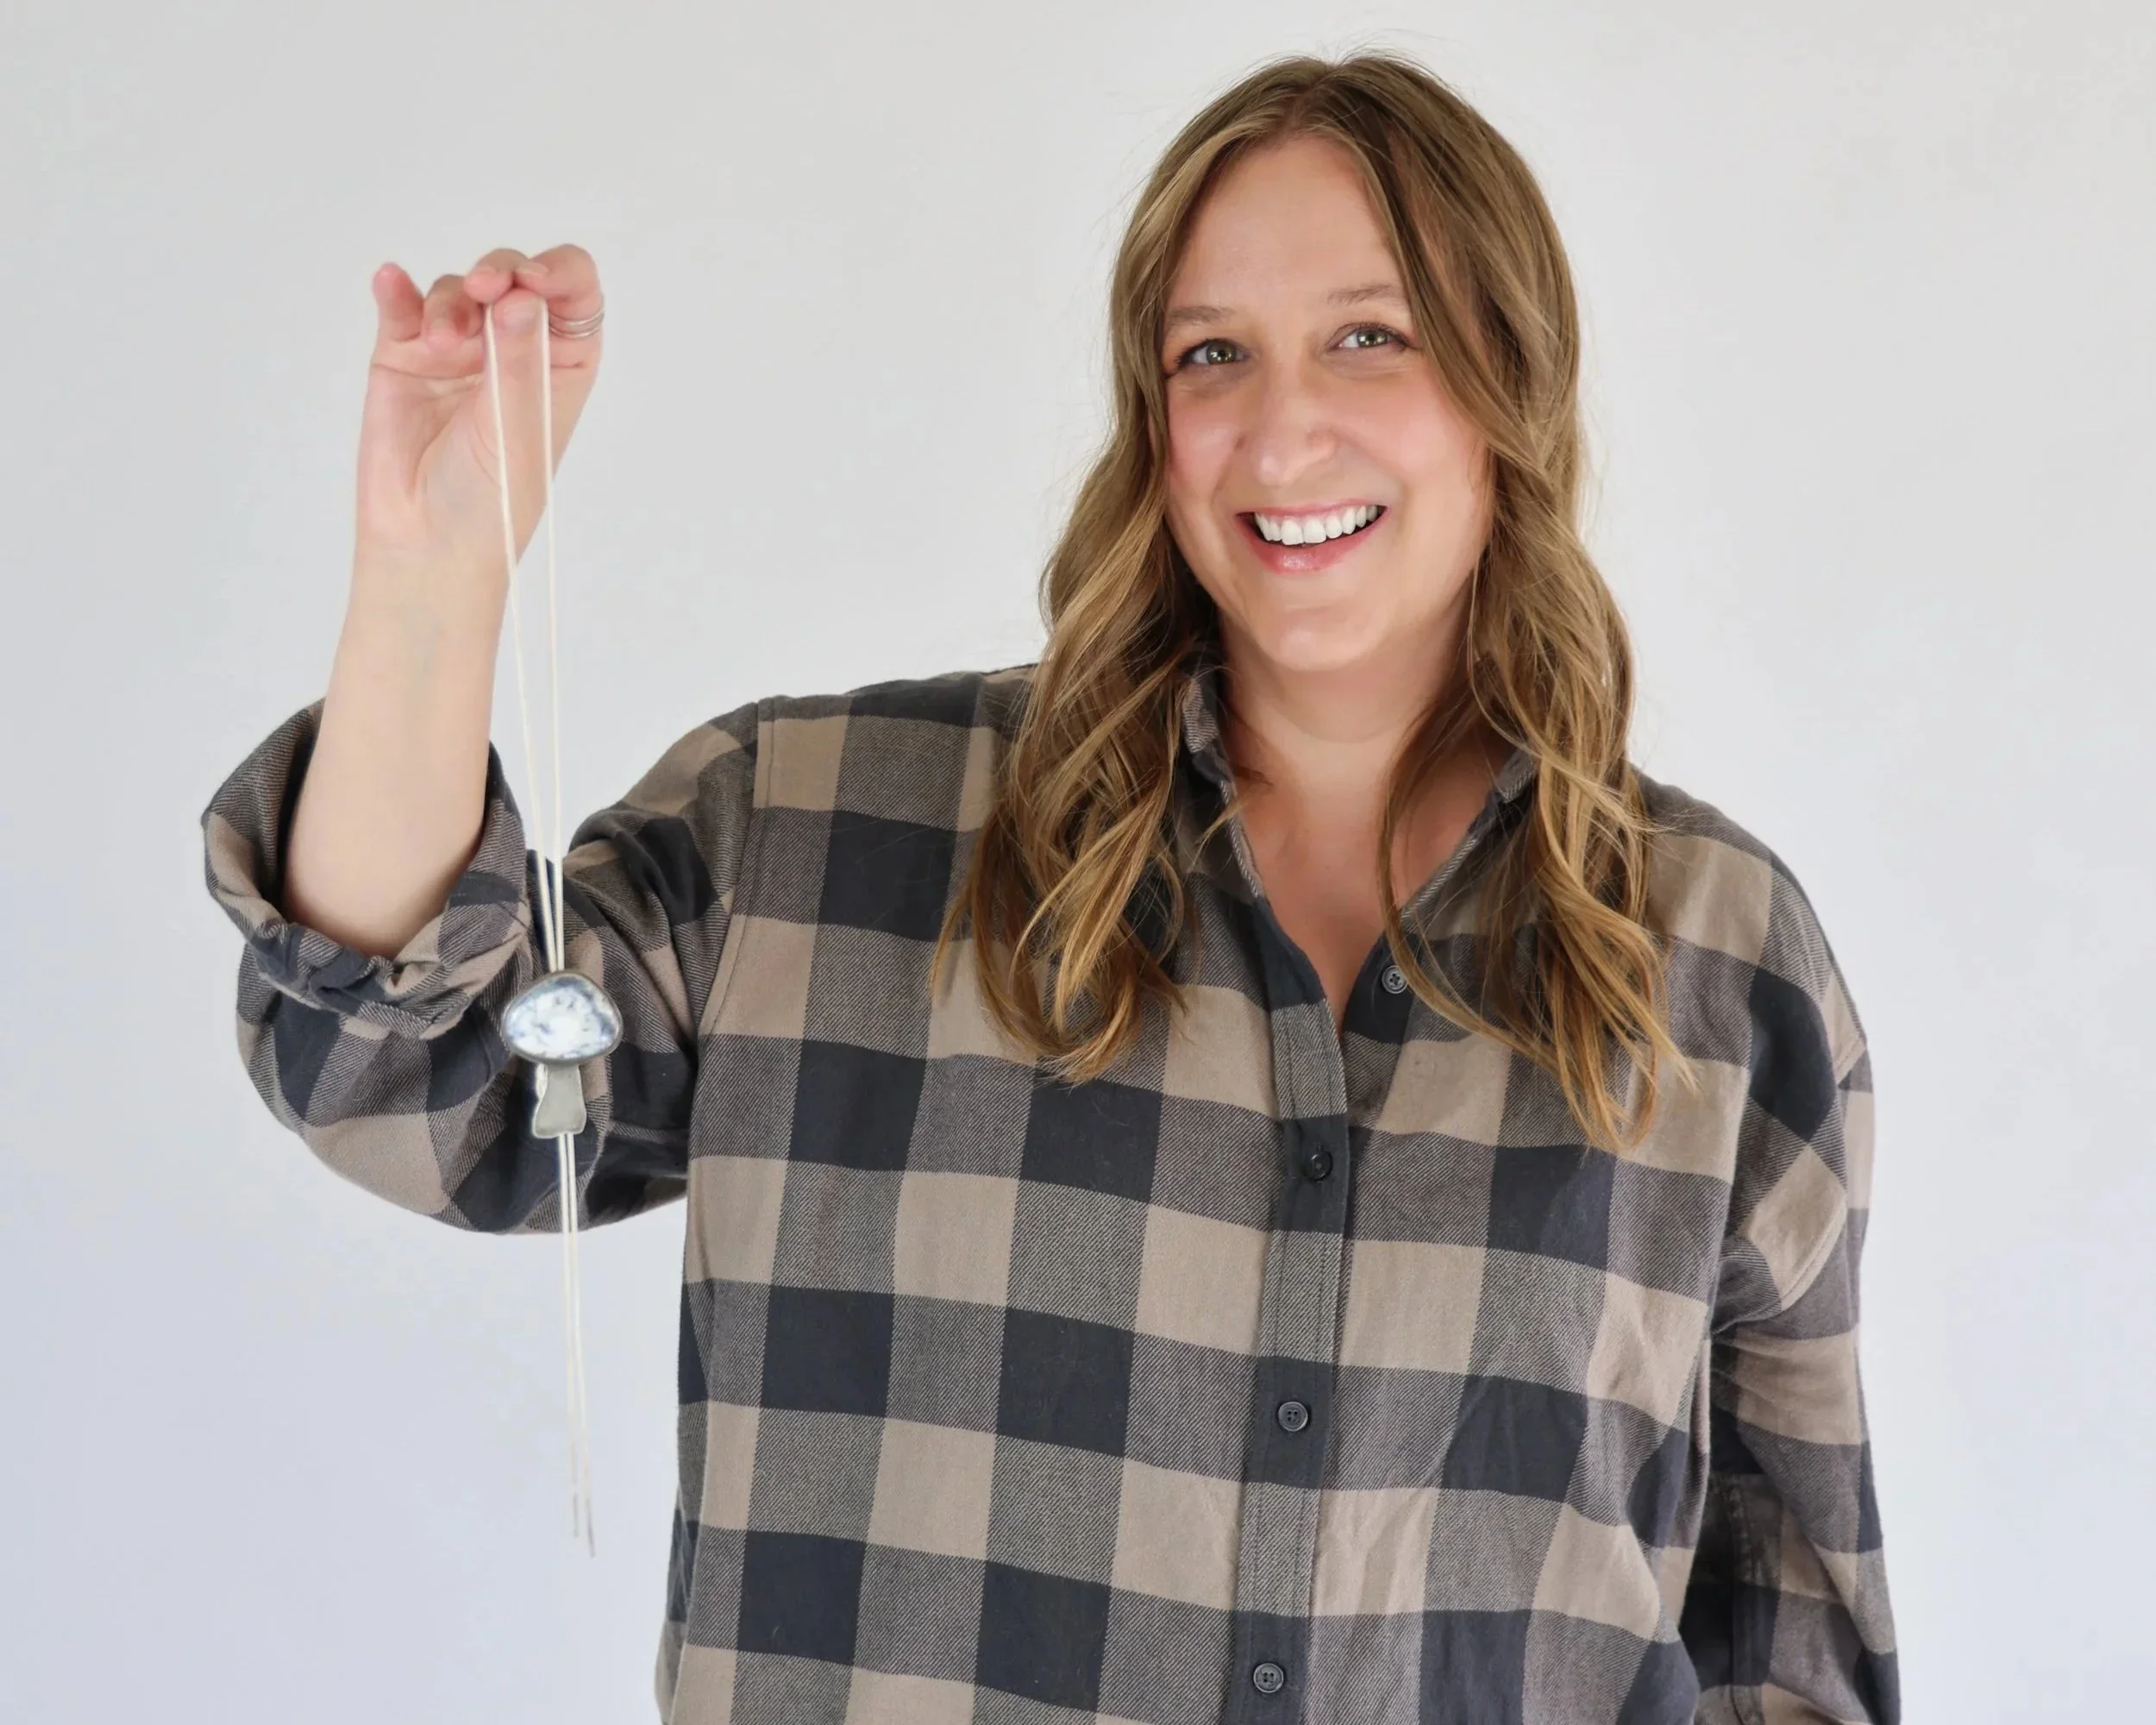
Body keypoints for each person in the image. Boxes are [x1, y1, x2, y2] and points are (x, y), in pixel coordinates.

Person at [198, 50, 1896, 1725]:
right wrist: (429, 576)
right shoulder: (814, 837)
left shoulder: (1717, 959)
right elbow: (399, 1079)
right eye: (1210, 354)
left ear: (1509, 385)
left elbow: (1788, 1646)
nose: (1280, 428)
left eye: (1368, 337)